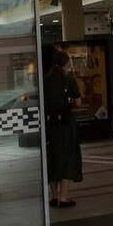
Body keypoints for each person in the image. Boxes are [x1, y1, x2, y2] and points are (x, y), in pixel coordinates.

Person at [43, 50, 83, 208]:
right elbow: (78, 103)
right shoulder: (69, 79)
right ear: (67, 63)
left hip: (50, 125)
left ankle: (53, 197)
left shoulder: (46, 80)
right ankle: (64, 198)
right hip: (66, 124)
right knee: (67, 158)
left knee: (52, 158)